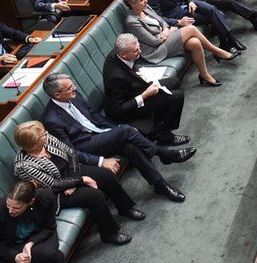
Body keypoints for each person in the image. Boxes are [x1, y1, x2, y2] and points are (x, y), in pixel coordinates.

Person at [41, 72, 194, 201]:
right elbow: (70, 152)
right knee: (126, 131)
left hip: (99, 133)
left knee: (129, 146)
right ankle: (164, 153)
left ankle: (160, 185)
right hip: (85, 145)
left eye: (72, 84)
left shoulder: (73, 95)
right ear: (57, 95)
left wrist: (114, 130)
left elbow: (93, 116)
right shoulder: (52, 119)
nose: (74, 88)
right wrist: (100, 161)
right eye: (69, 88)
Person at [13, 121, 136, 246]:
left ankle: (125, 208)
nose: (47, 134)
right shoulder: (24, 166)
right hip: (54, 194)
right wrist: (82, 180)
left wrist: (74, 179)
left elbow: (71, 152)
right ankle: (110, 234)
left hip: (70, 172)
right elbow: (53, 185)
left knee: (106, 176)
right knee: (94, 196)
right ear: (33, 145)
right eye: (43, 135)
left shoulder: (46, 137)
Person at [124, 0, 236, 87]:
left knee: (195, 43)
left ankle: (204, 75)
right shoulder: (132, 21)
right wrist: (168, 32)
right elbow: (153, 41)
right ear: (132, 4)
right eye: (142, 0)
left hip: (164, 39)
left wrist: (166, 29)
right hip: (155, 50)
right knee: (191, 28)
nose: (146, 1)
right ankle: (217, 51)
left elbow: (162, 21)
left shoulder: (146, 7)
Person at [103, 34, 188, 142]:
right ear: (123, 55)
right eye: (135, 51)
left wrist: (138, 75)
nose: (140, 52)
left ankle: (158, 121)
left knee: (174, 82)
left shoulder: (119, 53)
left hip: (135, 87)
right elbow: (119, 109)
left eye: (139, 47)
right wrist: (145, 95)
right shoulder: (115, 77)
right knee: (177, 96)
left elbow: (129, 69)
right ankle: (164, 136)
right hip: (130, 105)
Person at [0, 181, 71, 263]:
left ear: (31, 201)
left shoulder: (45, 197)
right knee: (50, 257)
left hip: (41, 236)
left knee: (47, 257)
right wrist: (15, 256)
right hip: (14, 248)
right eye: (8, 205)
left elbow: (49, 228)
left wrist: (30, 244)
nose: (10, 210)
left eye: (16, 208)